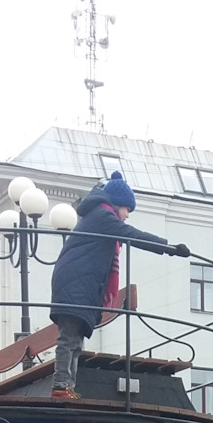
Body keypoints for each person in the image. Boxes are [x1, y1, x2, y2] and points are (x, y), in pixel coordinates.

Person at [46, 171, 191, 400]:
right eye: (127, 210)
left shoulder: (97, 216)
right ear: (118, 205)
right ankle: (61, 386)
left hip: (78, 283)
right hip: (76, 284)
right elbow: (130, 234)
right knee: (70, 337)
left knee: (75, 339)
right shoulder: (102, 216)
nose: (127, 216)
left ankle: (66, 386)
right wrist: (168, 247)